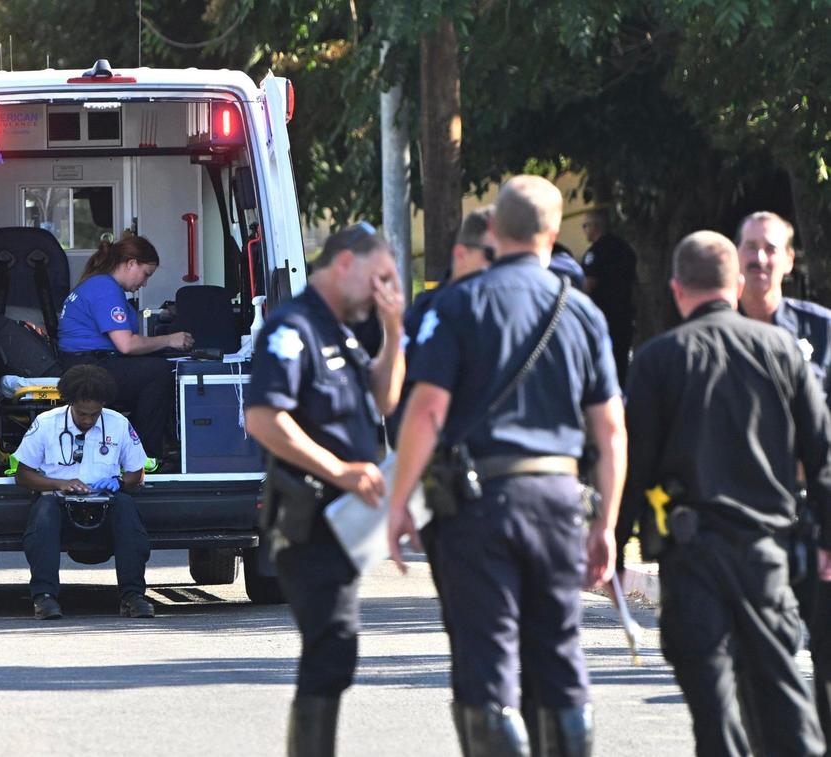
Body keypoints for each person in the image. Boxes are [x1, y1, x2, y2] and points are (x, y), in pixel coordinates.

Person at [387, 175, 626, 756]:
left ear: (493, 230)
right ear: (554, 230)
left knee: (487, 667)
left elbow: (425, 413)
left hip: (480, 506)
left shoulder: (458, 303)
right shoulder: (583, 313)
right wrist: (608, 523)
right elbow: (611, 429)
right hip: (559, 499)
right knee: (560, 661)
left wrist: (399, 502)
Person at [618, 230, 831, 755]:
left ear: (676, 289)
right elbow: (822, 453)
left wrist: (611, 541)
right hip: (766, 556)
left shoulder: (656, 361)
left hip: (691, 560)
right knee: (786, 706)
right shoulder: (782, 350)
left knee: (715, 715)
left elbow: (633, 466)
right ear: (736, 284)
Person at [244, 223, 404, 756]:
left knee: (333, 653)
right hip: (309, 517)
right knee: (330, 650)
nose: (385, 288)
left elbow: (384, 401)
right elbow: (265, 420)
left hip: (346, 524)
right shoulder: (292, 328)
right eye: (379, 277)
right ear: (344, 266)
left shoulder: (346, 329)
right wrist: (342, 471)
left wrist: (395, 328)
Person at [735, 210, 831, 743]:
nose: (760, 259)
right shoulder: (717, 328)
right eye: (750, 247)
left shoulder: (820, 329)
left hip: (815, 516)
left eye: (771, 249)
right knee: (754, 664)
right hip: (745, 521)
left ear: (789, 261)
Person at [14, 364, 154, 620]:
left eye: (94, 414)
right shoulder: (46, 424)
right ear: (70, 404)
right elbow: (22, 475)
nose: (88, 420)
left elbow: (137, 473)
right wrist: (59, 484)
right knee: (43, 514)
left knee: (127, 509)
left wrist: (120, 483)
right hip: (60, 505)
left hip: (104, 504)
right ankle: (44, 598)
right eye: (81, 414)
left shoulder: (118, 424)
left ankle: (133, 597)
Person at [58, 235, 194, 466]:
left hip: (85, 362)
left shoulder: (98, 284)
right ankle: (145, 456)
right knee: (158, 372)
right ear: (131, 263)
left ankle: (139, 448)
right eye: (146, 274)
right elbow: (126, 344)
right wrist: (169, 340)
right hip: (88, 368)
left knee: (153, 365)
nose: (145, 283)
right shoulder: (105, 288)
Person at [388, 204, 494, 444]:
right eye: (492, 256)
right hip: (443, 457)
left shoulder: (506, 307)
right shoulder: (428, 312)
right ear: (461, 254)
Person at [581, 209, 636, 383]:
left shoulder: (595, 252)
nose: (584, 230)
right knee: (621, 364)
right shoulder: (624, 248)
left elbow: (588, 284)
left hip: (603, 316)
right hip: (624, 314)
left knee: (602, 364)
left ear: (595, 227)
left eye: (585, 226)